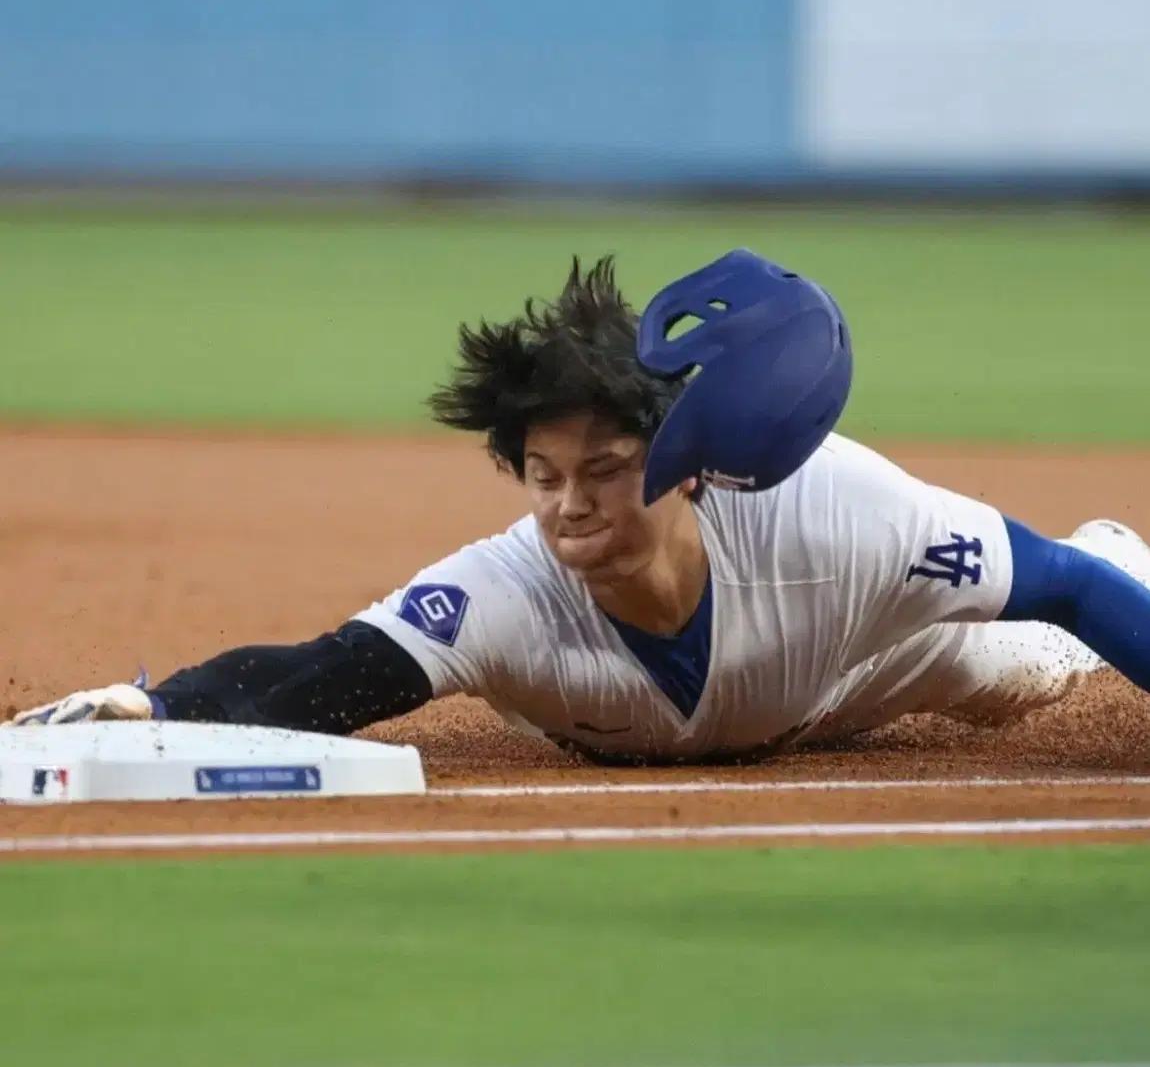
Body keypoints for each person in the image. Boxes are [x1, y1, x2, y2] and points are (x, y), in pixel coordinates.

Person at [6, 251, 1150, 765]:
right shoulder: (506, 594)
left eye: (603, 467)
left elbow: (1065, 580)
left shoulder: (845, 515)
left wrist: (1102, 576)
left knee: (1027, 670)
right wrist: (143, 707)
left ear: (688, 460)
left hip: (857, 665)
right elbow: (313, 677)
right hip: (649, 713)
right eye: (543, 477)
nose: (568, 506)